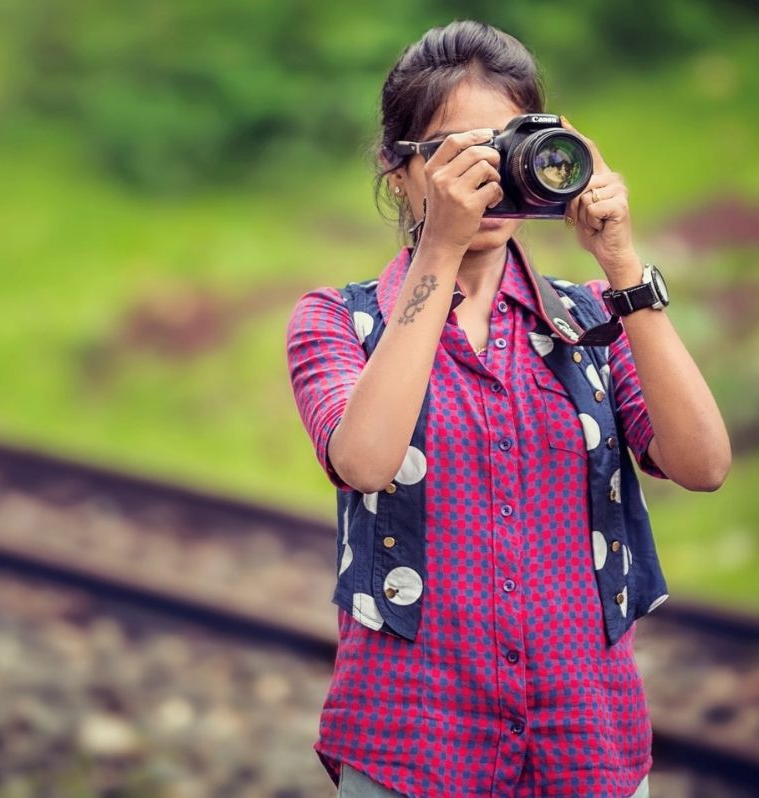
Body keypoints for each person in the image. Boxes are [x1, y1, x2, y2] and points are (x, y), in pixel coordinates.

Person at [286, 20, 730, 798]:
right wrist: (439, 251)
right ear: (400, 171)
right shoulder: (335, 322)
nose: (490, 177)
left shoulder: (593, 318)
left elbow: (704, 464)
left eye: (509, 145)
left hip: (585, 742)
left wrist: (622, 262)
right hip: (411, 745)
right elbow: (364, 461)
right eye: (461, 154)